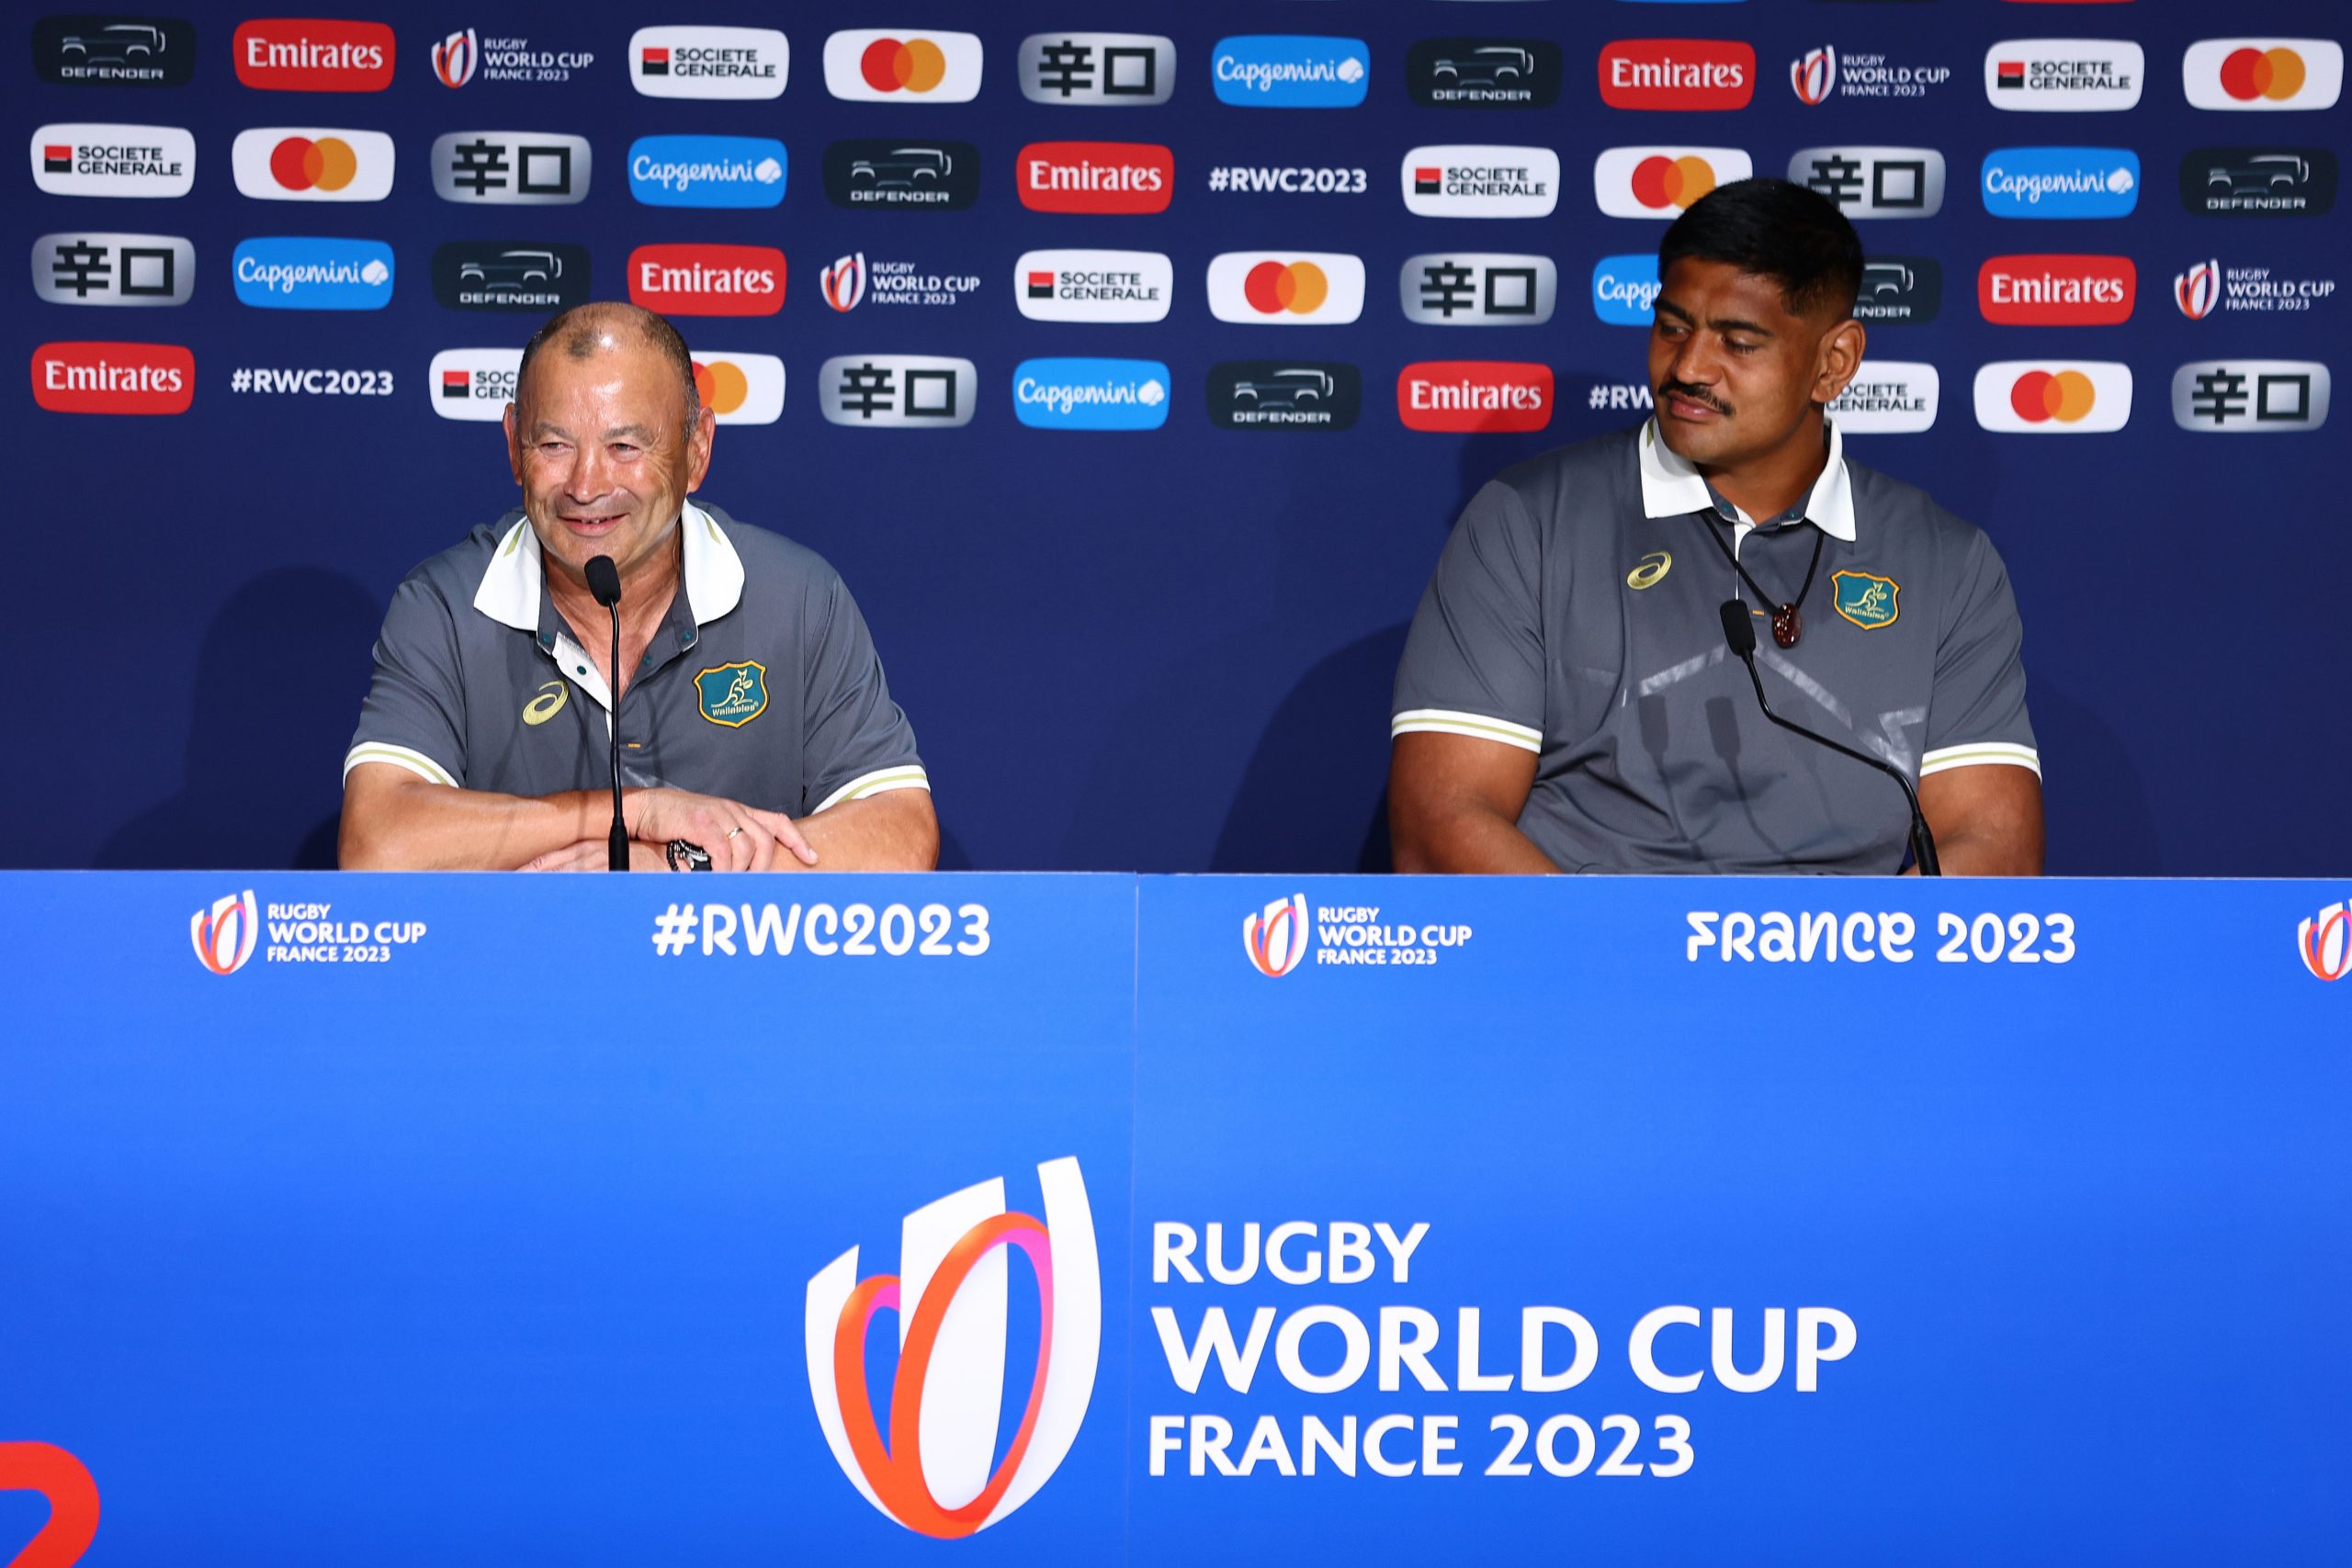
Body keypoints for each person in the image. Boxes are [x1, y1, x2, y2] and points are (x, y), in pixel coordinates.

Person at [1388, 179, 2041, 875]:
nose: (1689, 367)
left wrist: (1850, 978)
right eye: (1672, 327)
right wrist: (1638, 974)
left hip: (1843, 976)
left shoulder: (1949, 562)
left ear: (1834, 363)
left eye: (1738, 341)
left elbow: (1989, 842)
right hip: (1593, 972)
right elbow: (1446, 822)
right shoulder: (1526, 522)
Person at [340, 302, 936, 872]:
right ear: (513, 447)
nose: (585, 484)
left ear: (696, 450)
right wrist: (638, 815)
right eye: (554, 445)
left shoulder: (800, 598)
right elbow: (379, 844)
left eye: (624, 446)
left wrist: (679, 864)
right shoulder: (443, 606)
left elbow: (899, 835)